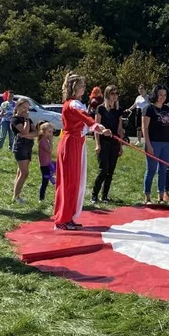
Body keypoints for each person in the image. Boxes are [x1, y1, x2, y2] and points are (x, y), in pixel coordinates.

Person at [53, 74, 106, 230]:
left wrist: (95, 127)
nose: (84, 87)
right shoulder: (72, 104)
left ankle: (68, 216)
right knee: (69, 182)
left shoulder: (76, 103)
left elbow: (83, 119)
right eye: (81, 85)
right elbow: (83, 117)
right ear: (73, 87)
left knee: (75, 181)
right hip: (71, 143)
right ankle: (63, 218)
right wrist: (96, 125)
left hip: (78, 142)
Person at [142, 84, 169, 205]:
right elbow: (144, 128)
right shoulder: (148, 109)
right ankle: (147, 197)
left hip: (166, 143)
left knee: (163, 170)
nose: (162, 97)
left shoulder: (167, 108)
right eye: (160, 94)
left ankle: (161, 197)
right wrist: (148, 145)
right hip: (153, 143)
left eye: (165, 95)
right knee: (151, 170)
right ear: (155, 94)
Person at [93, 85, 125, 203]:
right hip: (103, 142)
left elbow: (120, 129)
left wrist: (121, 146)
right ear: (107, 94)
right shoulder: (100, 109)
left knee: (110, 171)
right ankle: (94, 195)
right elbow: (96, 127)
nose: (115, 95)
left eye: (116, 93)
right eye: (112, 93)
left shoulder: (119, 110)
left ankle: (104, 195)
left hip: (115, 143)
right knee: (103, 170)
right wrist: (98, 144)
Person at [11, 98, 38, 205]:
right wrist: (26, 121)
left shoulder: (28, 120)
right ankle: (16, 197)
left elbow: (36, 132)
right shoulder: (15, 120)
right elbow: (25, 130)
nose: (26, 110)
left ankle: (16, 195)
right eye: (23, 107)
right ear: (17, 107)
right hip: (20, 146)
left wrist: (27, 135)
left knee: (20, 172)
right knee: (24, 172)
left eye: (27, 108)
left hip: (28, 146)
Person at [37, 123, 57, 201]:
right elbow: (49, 151)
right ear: (43, 132)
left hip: (48, 163)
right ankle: (41, 198)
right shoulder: (42, 141)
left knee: (48, 180)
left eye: (51, 132)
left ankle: (43, 197)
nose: (51, 133)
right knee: (45, 181)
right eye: (49, 131)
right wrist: (51, 141)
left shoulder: (46, 140)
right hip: (44, 165)